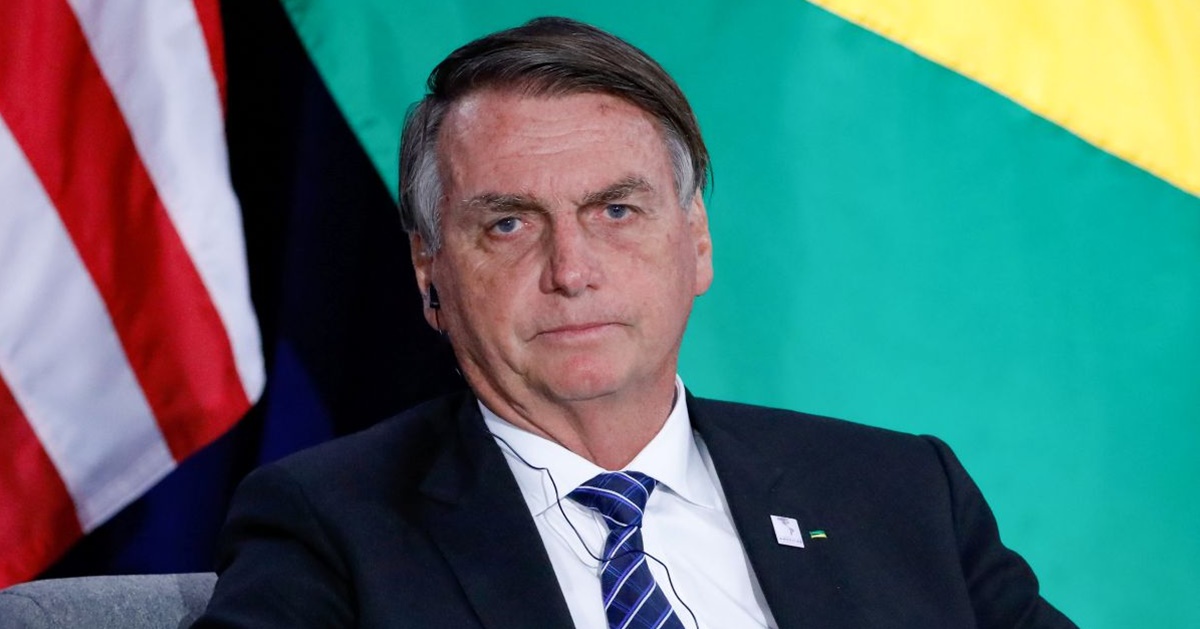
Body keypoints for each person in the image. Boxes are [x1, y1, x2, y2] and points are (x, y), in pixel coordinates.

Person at [197, 17, 1076, 628]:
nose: (571, 271)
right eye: (508, 224)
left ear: (696, 242)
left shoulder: (898, 490)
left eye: (616, 211)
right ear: (431, 271)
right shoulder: (329, 525)